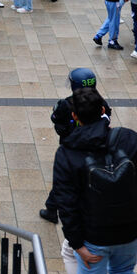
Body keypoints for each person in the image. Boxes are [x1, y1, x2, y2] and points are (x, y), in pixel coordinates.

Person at [51, 88, 137, 274]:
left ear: (74, 116)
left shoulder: (67, 153)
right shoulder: (129, 139)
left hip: (93, 236)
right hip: (129, 231)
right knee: (123, 273)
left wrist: (76, 243)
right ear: (103, 110)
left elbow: (66, 203)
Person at [40, 68, 111, 224]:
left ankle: (52, 209)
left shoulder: (66, 104)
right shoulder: (101, 103)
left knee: (64, 179)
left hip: (72, 148)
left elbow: (56, 119)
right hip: (94, 150)